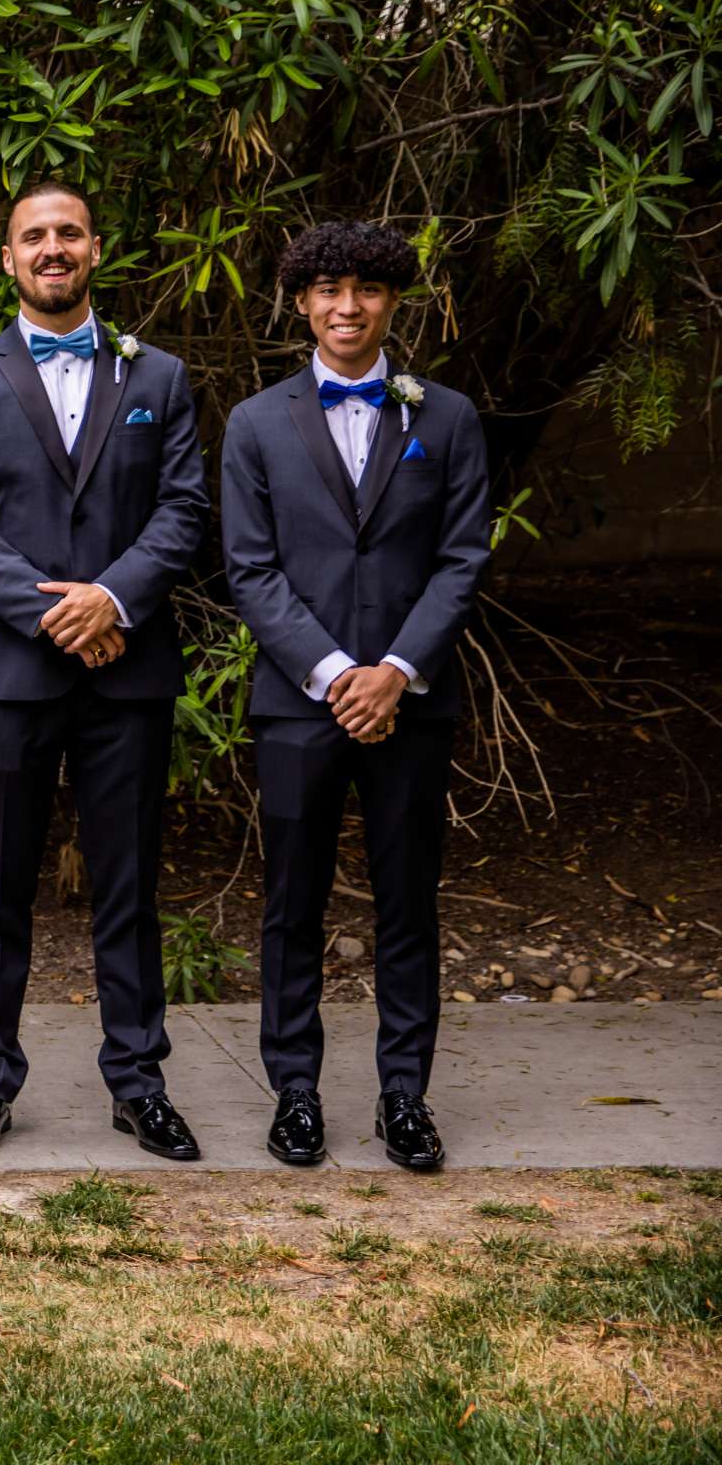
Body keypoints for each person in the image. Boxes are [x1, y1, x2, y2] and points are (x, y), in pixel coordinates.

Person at [0, 180, 210, 1162]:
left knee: (129, 885)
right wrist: (62, 612)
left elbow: (183, 511)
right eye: (33, 236)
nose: (53, 248)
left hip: (127, 672)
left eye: (69, 233)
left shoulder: (159, 377)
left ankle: (139, 1082)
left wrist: (114, 599)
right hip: (9, 672)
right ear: (8, 258)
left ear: (96, 247)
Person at [220, 220, 491, 1170]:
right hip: (301, 704)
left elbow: (462, 559)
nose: (347, 307)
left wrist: (395, 671)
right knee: (292, 903)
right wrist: (337, 674)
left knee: (408, 901)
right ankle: (295, 1092)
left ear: (391, 302)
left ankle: (404, 1097)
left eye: (367, 291)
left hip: (413, 700)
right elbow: (250, 571)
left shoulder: (446, 418)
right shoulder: (255, 424)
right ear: (301, 301)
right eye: (329, 290)